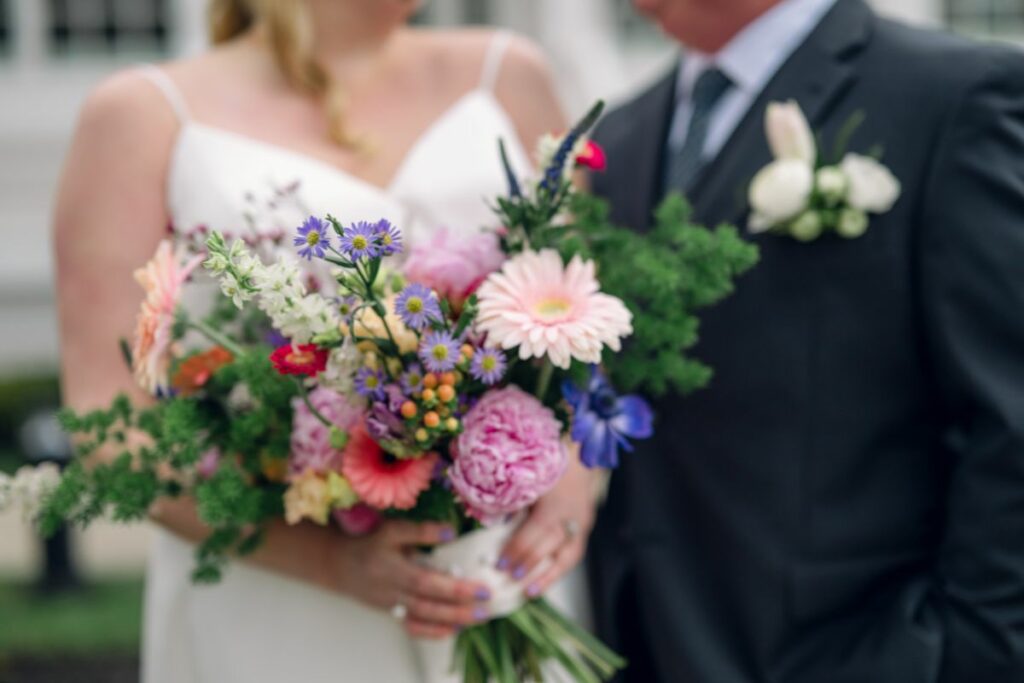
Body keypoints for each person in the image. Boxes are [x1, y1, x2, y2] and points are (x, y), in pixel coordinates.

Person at [52, 1, 595, 681]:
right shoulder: (139, 114)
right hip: (277, 603)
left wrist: (572, 475)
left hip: (499, 577)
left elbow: (581, 306)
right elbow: (110, 422)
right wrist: (329, 561)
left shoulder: (508, 73)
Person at [587, 0, 1024, 680]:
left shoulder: (955, 97)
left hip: (863, 650)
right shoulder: (617, 139)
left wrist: (965, 658)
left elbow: (1011, 416)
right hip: (640, 648)